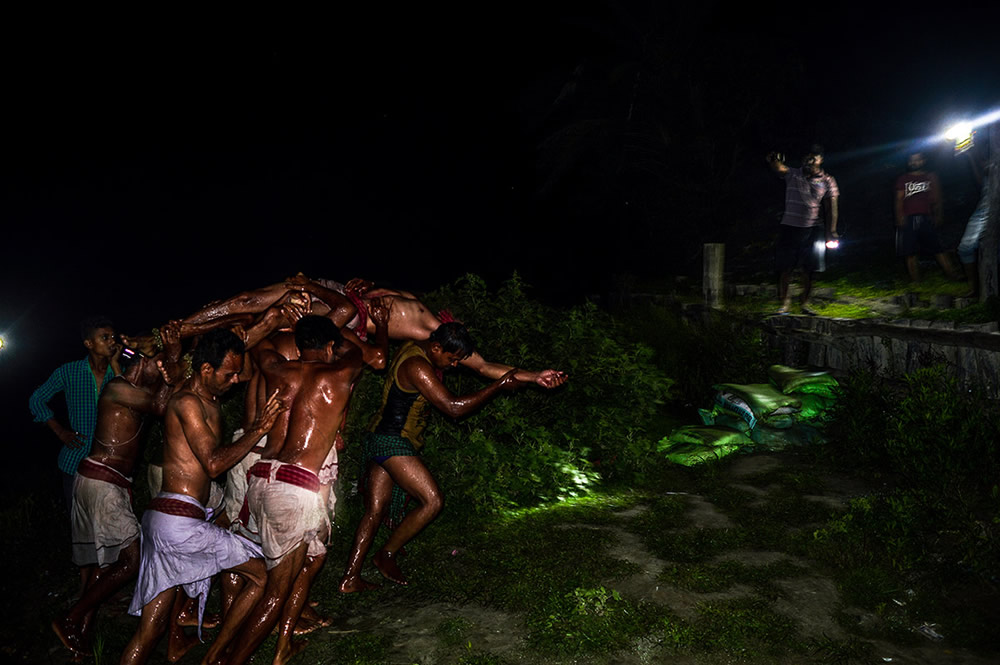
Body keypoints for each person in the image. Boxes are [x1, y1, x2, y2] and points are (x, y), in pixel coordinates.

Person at [339, 322, 563, 592]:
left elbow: (484, 366)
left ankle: (350, 577)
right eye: (452, 359)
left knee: (374, 511)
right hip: (392, 441)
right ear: (436, 347)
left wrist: (534, 376)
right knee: (432, 501)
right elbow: (453, 408)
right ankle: (385, 554)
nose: (455, 365)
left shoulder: (418, 346)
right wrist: (496, 388)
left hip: (380, 437)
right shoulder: (418, 366)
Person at [224, 311, 389, 665]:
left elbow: (259, 344)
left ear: (298, 347)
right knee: (275, 593)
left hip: (261, 477)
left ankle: (263, 647)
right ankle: (232, 660)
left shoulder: (276, 369)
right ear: (330, 346)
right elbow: (372, 354)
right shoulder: (341, 373)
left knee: (282, 568)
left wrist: (270, 323)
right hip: (295, 487)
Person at [120, 329, 285, 665]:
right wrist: (258, 429)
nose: (236, 380)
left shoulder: (208, 396)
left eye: (237, 372)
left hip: (172, 521)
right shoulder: (187, 403)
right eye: (229, 374)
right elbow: (212, 464)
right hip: (176, 524)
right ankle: (216, 656)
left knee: (150, 631)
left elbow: (251, 371)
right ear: (206, 370)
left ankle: (212, 652)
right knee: (261, 574)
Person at [51, 323, 183, 658]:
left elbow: (160, 404)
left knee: (101, 567)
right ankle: (71, 616)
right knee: (132, 559)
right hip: (101, 483)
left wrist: (168, 367)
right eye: (157, 364)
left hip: (102, 482)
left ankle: (77, 638)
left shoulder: (128, 389)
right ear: (141, 362)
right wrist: (172, 361)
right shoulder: (118, 387)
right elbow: (160, 407)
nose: (163, 370)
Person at [30, 315, 120, 512]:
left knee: (113, 528)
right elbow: (36, 400)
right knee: (80, 527)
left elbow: (132, 402)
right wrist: (60, 432)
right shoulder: (69, 371)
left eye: (113, 337)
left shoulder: (119, 372)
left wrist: (116, 366)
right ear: (88, 343)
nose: (112, 341)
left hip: (112, 464)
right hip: (75, 462)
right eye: (105, 337)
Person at [766, 146, 840, 315]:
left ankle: (805, 304)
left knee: (809, 269)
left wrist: (832, 231)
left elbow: (831, 207)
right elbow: (779, 167)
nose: (809, 161)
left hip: (813, 229)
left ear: (821, 159)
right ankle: (784, 304)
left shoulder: (828, 180)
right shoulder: (793, 174)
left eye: (814, 158)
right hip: (789, 226)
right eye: (807, 157)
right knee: (785, 267)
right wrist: (773, 159)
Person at [894, 151, 959, 282]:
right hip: (908, 218)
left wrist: (938, 215)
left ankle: (952, 274)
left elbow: (938, 198)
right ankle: (916, 281)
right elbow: (899, 199)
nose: (914, 162)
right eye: (912, 160)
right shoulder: (903, 179)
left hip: (926, 216)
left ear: (923, 161)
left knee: (938, 247)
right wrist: (899, 217)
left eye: (917, 160)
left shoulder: (930, 176)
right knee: (910, 251)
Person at [957, 150, 992, 298]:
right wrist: (971, 155)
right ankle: (974, 287)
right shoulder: (990, 156)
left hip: (993, 209)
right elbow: (980, 182)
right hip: (984, 208)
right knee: (965, 247)